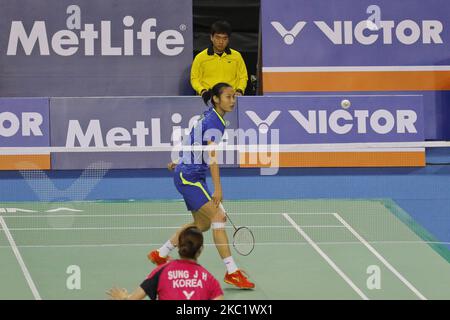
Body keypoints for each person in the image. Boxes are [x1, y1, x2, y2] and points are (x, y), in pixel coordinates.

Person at [147, 82, 255, 289]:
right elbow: (212, 158)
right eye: (228, 97)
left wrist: (180, 160)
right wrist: (218, 188)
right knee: (218, 217)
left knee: (203, 225)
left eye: (234, 97)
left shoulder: (209, 116)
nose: (232, 101)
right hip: (190, 177)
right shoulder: (215, 122)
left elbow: (193, 141)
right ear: (216, 99)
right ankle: (232, 272)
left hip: (190, 173)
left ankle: (160, 253)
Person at [107, 227, 224, 300]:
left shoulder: (161, 272)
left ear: (178, 246)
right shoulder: (209, 279)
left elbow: (134, 298)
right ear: (200, 250)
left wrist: (124, 298)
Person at [190, 20, 248, 98]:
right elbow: (194, 78)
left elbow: (243, 77)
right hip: (209, 98)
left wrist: (240, 90)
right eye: (218, 37)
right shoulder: (200, 57)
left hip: (230, 98)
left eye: (224, 38)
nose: (221, 42)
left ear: (228, 39)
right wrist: (203, 91)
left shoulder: (236, 56)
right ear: (211, 37)